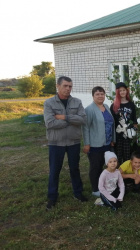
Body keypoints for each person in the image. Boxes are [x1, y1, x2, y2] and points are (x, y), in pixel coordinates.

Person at [43, 76, 87, 210]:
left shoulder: (77, 102)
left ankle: (78, 193)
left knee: (75, 168)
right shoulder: (49, 103)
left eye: (70, 86)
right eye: (65, 86)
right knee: (55, 170)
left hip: (73, 141)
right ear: (58, 86)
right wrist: (71, 120)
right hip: (56, 142)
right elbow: (50, 123)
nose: (68, 89)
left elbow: (83, 120)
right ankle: (52, 197)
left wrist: (64, 117)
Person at [83, 86, 115, 197]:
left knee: (104, 165)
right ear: (93, 96)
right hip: (95, 144)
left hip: (107, 143)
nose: (100, 96)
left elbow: (111, 123)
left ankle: (103, 185)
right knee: (95, 166)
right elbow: (85, 127)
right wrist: (87, 143)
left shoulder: (106, 106)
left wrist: (112, 139)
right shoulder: (89, 109)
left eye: (102, 94)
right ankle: (95, 189)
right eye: (97, 94)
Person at [110, 82, 137, 164]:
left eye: (124, 90)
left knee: (127, 156)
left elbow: (134, 119)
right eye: (120, 90)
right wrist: (112, 137)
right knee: (118, 156)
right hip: (118, 135)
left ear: (127, 91)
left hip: (128, 135)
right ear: (117, 92)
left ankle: (127, 175)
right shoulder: (114, 105)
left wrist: (135, 133)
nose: (122, 92)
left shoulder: (131, 104)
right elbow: (112, 122)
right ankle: (117, 174)